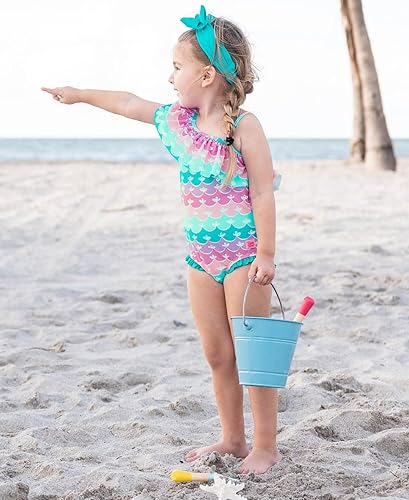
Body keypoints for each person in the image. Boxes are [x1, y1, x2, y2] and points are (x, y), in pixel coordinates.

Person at [42, 4, 282, 475]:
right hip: (200, 259)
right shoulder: (178, 123)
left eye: (176, 67)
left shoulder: (244, 127)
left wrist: (267, 253)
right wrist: (80, 95)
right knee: (217, 354)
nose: (169, 77)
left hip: (243, 258)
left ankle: (266, 446)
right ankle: (233, 438)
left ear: (207, 75)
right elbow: (128, 103)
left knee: (254, 354)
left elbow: (262, 191)